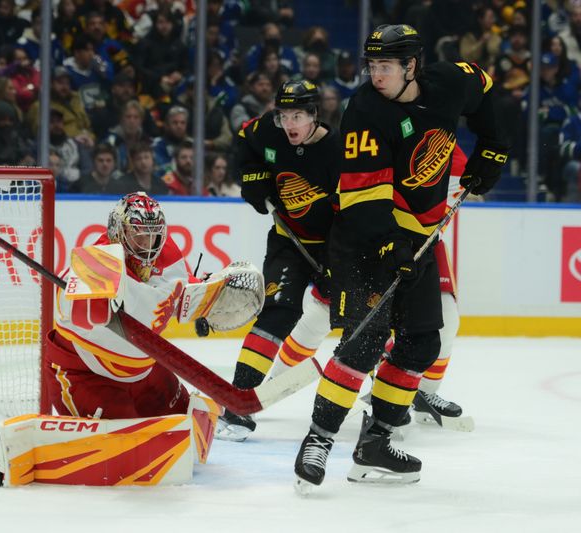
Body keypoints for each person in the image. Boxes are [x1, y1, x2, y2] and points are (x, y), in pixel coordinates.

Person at [293, 24, 507, 493]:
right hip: (363, 241)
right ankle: (318, 440)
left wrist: (492, 146)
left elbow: (488, 89)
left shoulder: (449, 83)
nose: (376, 75)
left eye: (385, 66)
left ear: (412, 66)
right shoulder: (366, 109)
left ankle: (376, 443)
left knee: (421, 343)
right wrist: (393, 248)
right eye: (372, 66)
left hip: (418, 241)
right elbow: (365, 203)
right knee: (364, 344)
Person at [44, 192, 261, 419]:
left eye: (153, 236)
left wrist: (205, 298)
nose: (147, 245)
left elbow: (176, 290)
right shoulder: (100, 260)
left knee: (184, 418)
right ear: (119, 233)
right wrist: (83, 299)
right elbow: (68, 297)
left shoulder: (167, 252)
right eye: (138, 235)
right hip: (85, 374)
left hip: (143, 371)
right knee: (129, 441)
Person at [216, 79, 340, 442]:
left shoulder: (338, 151)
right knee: (278, 312)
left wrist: (335, 262)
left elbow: (350, 213)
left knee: (361, 317)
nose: (290, 124)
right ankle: (237, 404)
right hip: (289, 242)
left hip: (335, 245)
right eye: (285, 115)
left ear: (315, 115)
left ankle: (381, 400)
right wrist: (254, 178)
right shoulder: (267, 131)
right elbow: (243, 140)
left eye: (299, 115)